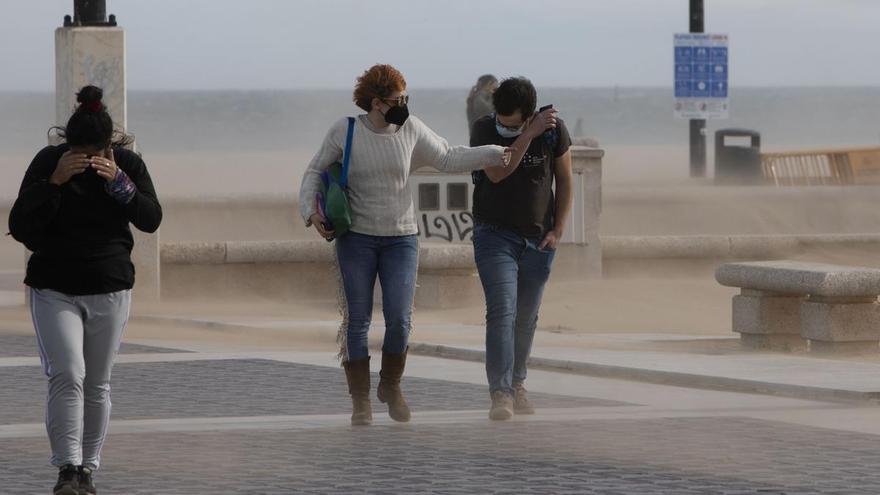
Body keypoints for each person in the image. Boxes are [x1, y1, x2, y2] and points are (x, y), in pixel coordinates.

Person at [299, 64, 510, 426]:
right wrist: (309, 212)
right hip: (357, 239)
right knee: (357, 321)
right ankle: (360, 401)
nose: (404, 104)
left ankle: (391, 385)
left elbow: (447, 156)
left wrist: (494, 151)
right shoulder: (345, 130)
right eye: (398, 99)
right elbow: (314, 171)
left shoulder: (410, 128)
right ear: (377, 102)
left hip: (401, 237)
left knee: (399, 318)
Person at [8, 85, 162, 495]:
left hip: (109, 286)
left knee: (97, 382)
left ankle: (88, 470)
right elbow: (20, 225)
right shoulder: (48, 162)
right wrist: (54, 182)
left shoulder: (126, 163)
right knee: (67, 374)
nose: (88, 159)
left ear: (107, 143)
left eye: (94, 152)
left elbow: (151, 219)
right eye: (80, 151)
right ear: (68, 142)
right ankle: (67, 469)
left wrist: (122, 185)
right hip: (54, 286)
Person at [469, 77, 573, 420]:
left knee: (526, 317)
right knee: (502, 311)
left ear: (529, 115)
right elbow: (498, 173)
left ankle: (518, 383)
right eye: (501, 120)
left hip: (538, 239)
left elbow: (566, 178)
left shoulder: (553, 132)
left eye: (512, 123)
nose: (504, 126)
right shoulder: (484, 129)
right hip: (494, 235)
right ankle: (500, 393)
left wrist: (558, 230)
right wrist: (526, 135)